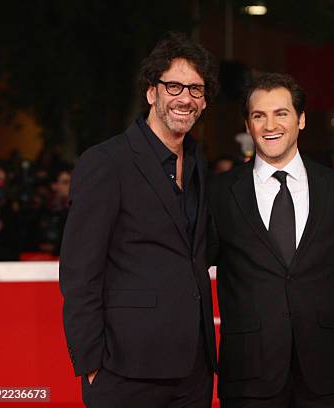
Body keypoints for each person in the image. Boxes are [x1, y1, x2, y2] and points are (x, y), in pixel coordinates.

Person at [59, 32, 218, 408]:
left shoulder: (198, 164)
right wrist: (90, 362)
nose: (185, 98)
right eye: (174, 86)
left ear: (205, 101)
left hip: (194, 369)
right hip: (124, 370)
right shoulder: (106, 162)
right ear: (152, 92)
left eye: (196, 89)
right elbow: (80, 272)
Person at [208, 72, 334, 407]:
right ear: (248, 125)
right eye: (258, 116)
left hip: (325, 372)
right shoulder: (217, 193)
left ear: (301, 119)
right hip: (248, 374)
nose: (269, 125)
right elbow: (190, 265)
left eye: (281, 113)